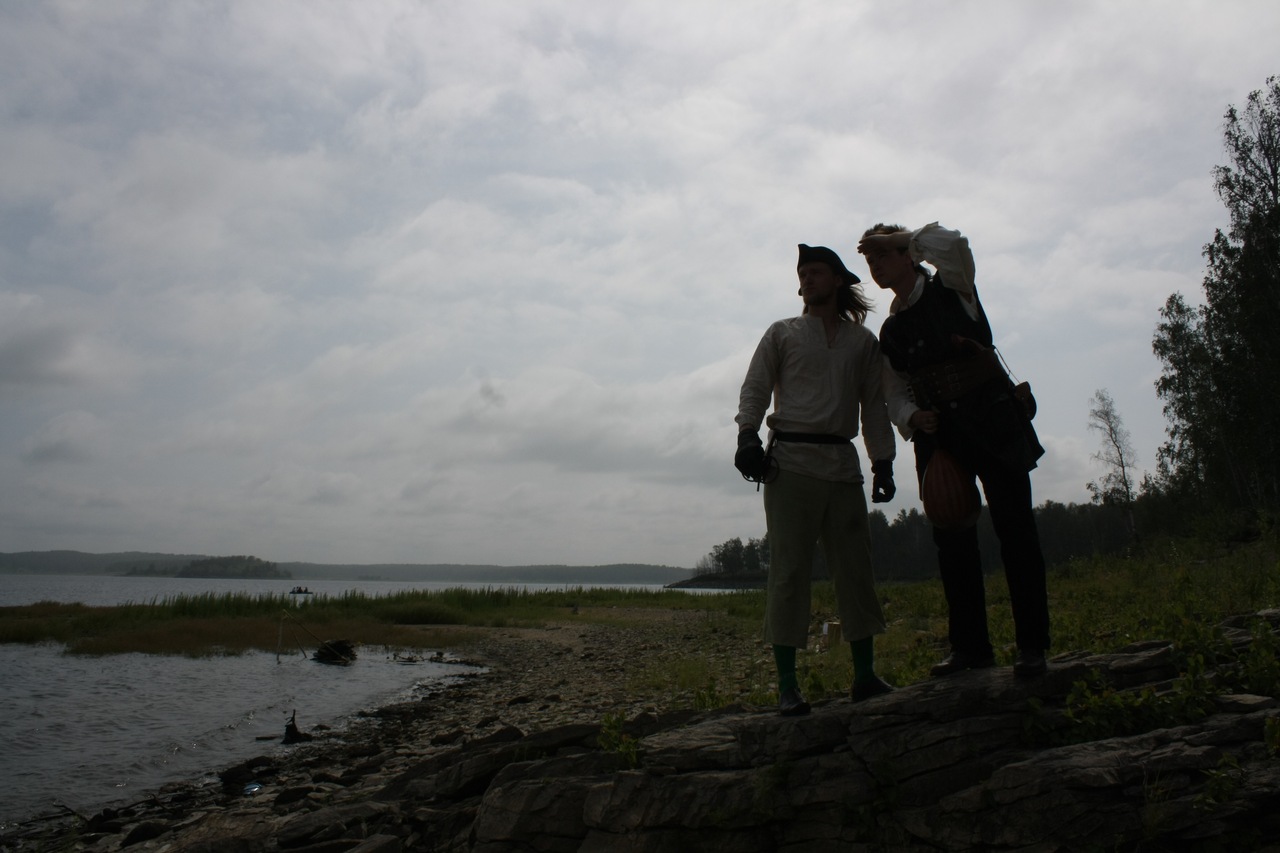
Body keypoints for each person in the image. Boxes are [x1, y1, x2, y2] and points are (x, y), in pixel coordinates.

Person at [857, 222, 1050, 678]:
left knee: (1017, 533)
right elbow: (894, 391)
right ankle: (970, 649)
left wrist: (902, 237)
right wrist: (912, 417)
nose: (876, 265)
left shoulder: (954, 285)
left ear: (907, 253)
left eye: (883, 254)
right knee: (952, 541)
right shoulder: (891, 330)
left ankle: (1032, 647)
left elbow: (954, 244)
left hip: (994, 422)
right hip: (940, 437)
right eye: (870, 260)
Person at [735, 244, 898, 716]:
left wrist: (883, 463)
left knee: (855, 571)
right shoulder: (782, 333)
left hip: (842, 465)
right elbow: (755, 387)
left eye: (816, 272)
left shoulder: (861, 343)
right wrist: (747, 435)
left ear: (837, 280)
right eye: (802, 273)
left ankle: (864, 677)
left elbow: (874, 406)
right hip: (791, 464)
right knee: (788, 572)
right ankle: (787, 686)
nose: (806, 279)